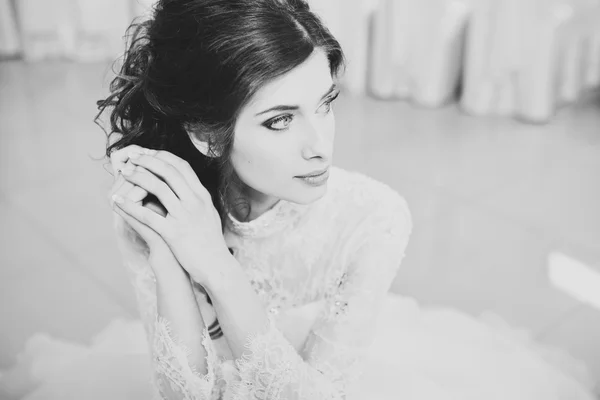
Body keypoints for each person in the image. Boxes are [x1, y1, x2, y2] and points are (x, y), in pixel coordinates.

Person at [0, 1, 597, 399]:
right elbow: (184, 396)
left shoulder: (374, 218)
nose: (320, 146)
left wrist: (214, 265)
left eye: (326, 103)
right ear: (207, 134)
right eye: (281, 120)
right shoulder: (161, 211)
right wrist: (168, 251)